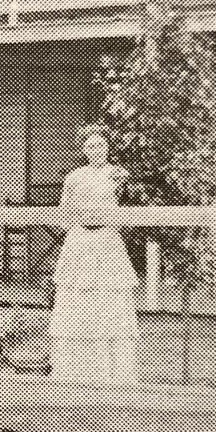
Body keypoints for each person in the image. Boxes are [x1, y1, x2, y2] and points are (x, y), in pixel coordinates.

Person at [47, 128, 141, 386]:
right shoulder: (73, 178)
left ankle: (111, 373)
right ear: (84, 150)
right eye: (91, 146)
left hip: (107, 241)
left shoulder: (117, 175)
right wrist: (78, 224)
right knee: (78, 300)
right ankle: (76, 372)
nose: (97, 150)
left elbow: (126, 209)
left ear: (108, 148)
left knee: (108, 298)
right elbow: (63, 213)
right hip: (79, 241)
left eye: (101, 145)